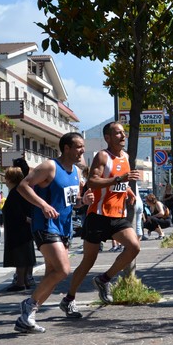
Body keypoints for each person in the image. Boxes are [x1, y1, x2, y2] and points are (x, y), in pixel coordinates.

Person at [58, 122, 140, 320]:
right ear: (108, 137)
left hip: (118, 216)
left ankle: (104, 279)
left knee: (134, 246)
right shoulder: (102, 156)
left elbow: (119, 181)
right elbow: (92, 182)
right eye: (118, 133)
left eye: (123, 133)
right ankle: (69, 299)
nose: (122, 136)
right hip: (98, 216)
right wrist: (119, 180)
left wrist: (127, 190)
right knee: (88, 261)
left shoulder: (126, 156)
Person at [13, 132, 92, 333]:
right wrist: (43, 205)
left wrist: (83, 201)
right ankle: (29, 304)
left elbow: (71, 202)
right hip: (45, 225)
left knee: (52, 275)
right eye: (79, 147)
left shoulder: (75, 171)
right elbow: (23, 187)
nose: (82, 151)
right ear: (66, 148)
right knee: (63, 270)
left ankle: (27, 318)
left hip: (64, 228)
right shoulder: (50, 166)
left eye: (83, 147)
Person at [2, 166, 36, 292]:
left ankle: (20, 282)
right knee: (26, 255)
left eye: (6, 177)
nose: (5, 180)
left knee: (20, 256)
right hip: (23, 228)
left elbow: (17, 211)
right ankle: (25, 280)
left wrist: (25, 220)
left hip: (18, 228)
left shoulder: (15, 193)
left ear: (10, 179)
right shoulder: (21, 190)